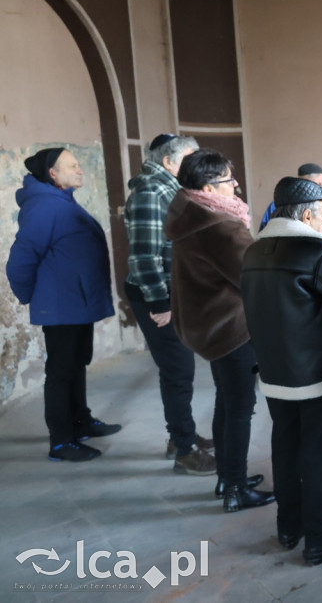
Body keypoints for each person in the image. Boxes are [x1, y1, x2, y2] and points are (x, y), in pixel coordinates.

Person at [241, 177, 322, 565]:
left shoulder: (254, 253)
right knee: (317, 454)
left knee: (284, 446)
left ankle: (288, 527)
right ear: (308, 214)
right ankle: (320, 538)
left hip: (275, 372)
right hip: (315, 374)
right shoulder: (318, 254)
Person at [165, 149, 273, 512]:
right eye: (229, 180)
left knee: (227, 402)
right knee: (240, 407)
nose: (236, 185)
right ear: (208, 189)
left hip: (209, 326)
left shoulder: (191, 216)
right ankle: (236, 490)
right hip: (231, 328)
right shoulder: (219, 227)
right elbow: (255, 276)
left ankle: (228, 477)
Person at [6, 147, 120, 461]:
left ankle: (80, 421)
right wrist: (33, 298)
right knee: (60, 371)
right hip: (61, 306)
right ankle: (60, 441)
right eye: (72, 165)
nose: (80, 169)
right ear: (52, 174)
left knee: (76, 364)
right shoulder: (45, 207)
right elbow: (19, 262)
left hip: (74, 302)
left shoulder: (60, 202)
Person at [124, 133, 216, 476]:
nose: (196, 166)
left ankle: (182, 435)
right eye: (189, 159)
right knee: (178, 370)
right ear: (168, 162)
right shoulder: (150, 193)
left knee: (179, 369)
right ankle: (183, 448)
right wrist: (161, 303)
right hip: (156, 295)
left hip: (171, 291)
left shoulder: (170, 189)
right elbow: (144, 258)